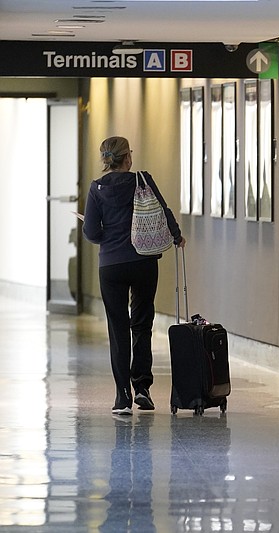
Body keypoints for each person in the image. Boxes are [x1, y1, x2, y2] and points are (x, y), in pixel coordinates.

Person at [83, 136, 186, 416]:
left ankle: (122, 397)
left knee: (118, 329)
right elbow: (163, 211)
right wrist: (177, 237)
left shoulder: (96, 188)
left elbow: (91, 232)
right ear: (127, 158)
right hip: (143, 261)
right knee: (141, 323)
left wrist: (109, 236)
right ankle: (142, 387)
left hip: (111, 266)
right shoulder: (142, 179)